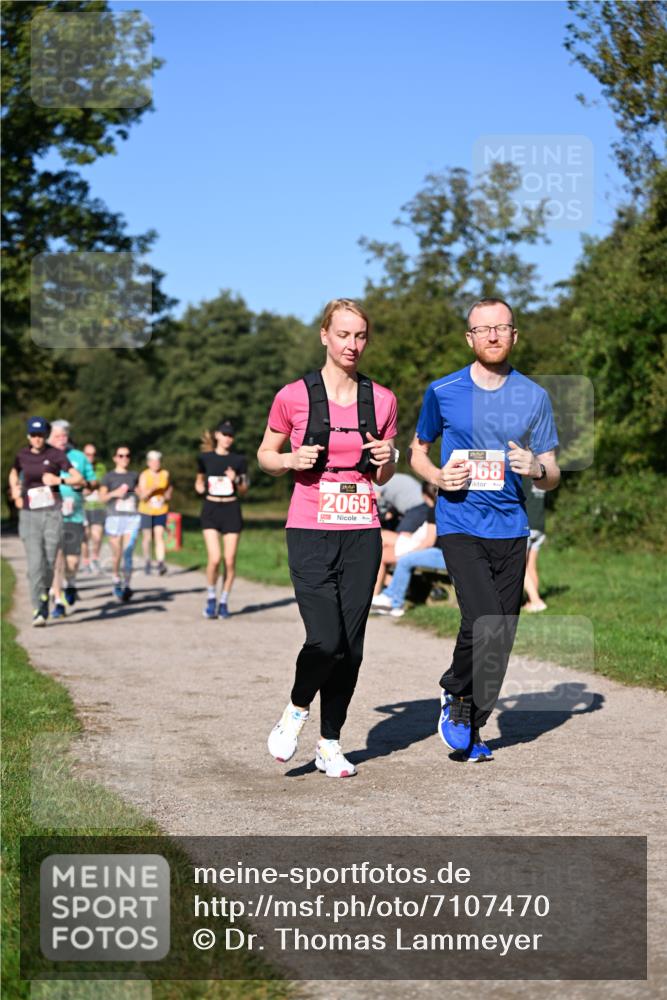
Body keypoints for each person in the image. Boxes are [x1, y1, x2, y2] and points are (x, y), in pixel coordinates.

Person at [409, 298, 560, 762]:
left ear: (515, 335)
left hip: (511, 526)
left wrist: (535, 467)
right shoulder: (444, 390)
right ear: (470, 338)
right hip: (459, 521)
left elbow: (553, 473)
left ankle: (473, 724)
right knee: (483, 618)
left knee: (502, 634)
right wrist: (436, 477)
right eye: (483, 329)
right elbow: (417, 451)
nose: (493, 335)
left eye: (502, 327)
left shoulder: (534, 396)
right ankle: (455, 694)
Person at [258, 298, 398, 778]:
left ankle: (330, 743)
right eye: (343, 335)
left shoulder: (381, 399)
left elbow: (383, 476)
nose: (352, 345)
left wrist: (387, 456)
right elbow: (265, 455)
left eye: (360, 336)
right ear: (324, 336)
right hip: (310, 527)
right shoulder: (293, 396)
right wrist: (289, 462)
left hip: (362, 530)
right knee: (326, 639)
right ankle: (296, 711)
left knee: (353, 646)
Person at [8, 417, 83, 626]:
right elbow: (14, 472)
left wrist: (60, 480)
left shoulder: (56, 455)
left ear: (46, 436)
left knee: (50, 560)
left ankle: (45, 594)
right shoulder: (21, 455)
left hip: (52, 513)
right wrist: (15, 488)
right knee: (34, 564)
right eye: (33, 435)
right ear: (28, 436)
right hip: (29, 514)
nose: (37, 439)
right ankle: (38, 608)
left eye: (40, 435)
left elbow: (78, 479)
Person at [195, 421, 248, 619]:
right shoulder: (205, 458)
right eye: (224, 434)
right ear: (217, 435)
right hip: (210, 508)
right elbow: (199, 479)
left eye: (231, 435)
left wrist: (235, 479)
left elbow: (244, 489)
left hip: (231, 509)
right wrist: (199, 487)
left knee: (230, 560)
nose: (227, 438)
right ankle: (210, 597)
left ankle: (224, 600)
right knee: (215, 558)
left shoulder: (239, 460)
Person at [47, 420, 97, 619]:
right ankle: (58, 600)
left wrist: (85, 485)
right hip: (50, 514)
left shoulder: (78, 457)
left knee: (72, 561)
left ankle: (71, 583)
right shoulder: (44, 456)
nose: (61, 440)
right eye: (57, 436)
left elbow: (92, 482)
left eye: (64, 436)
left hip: (74, 514)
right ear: (50, 436)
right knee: (56, 558)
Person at [371, 485, 444, 617]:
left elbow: (429, 542)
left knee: (401, 558)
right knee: (383, 548)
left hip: (436, 551)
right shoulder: (441, 509)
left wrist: (412, 552)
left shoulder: (435, 510)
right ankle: (384, 596)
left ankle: (393, 601)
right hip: (428, 546)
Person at [99, 445, 141, 602]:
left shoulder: (134, 475)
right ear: (115, 458)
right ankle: (116, 579)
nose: (124, 458)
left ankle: (127, 585)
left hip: (131, 517)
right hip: (114, 518)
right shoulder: (108, 477)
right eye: (121, 456)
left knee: (128, 552)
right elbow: (101, 498)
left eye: (127, 456)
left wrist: (144, 492)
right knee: (117, 554)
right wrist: (114, 493)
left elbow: (141, 493)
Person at [138, 450, 172, 576]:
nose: (156, 463)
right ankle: (147, 560)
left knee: (159, 536)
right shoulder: (144, 475)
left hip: (161, 510)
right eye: (153, 461)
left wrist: (167, 495)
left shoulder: (165, 473)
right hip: (146, 510)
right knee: (147, 537)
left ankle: (160, 563)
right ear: (148, 463)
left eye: (158, 461)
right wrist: (153, 488)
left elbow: (169, 487)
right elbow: (141, 496)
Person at [522, 475, 548, 612]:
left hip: (527, 524)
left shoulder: (523, 478)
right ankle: (531, 601)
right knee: (531, 566)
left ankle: (536, 600)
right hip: (540, 525)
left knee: (520, 566)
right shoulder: (541, 476)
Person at [81, 443, 108, 574]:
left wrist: (91, 485)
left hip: (98, 505)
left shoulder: (100, 467)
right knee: (85, 536)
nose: (91, 457)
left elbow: (102, 483)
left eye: (93, 454)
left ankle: (95, 559)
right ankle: (86, 561)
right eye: (88, 454)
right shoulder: (78, 466)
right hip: (82, 506)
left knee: (97, 536)